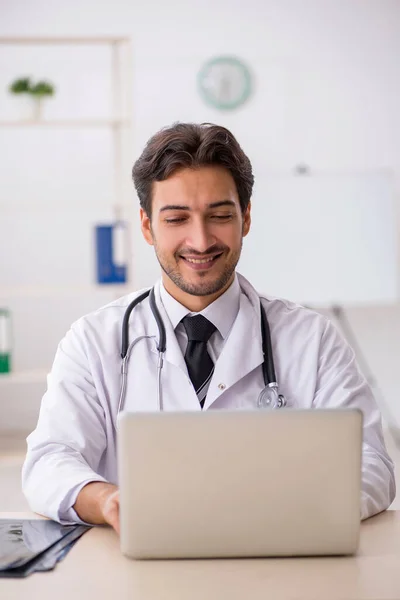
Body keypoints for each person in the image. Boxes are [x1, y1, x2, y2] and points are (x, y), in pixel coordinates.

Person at [22, 122, 396, 535]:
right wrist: (109, 501)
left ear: (246, 218)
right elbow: (50, 461)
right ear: (147, 226)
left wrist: (291, 508)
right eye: (177, 218)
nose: (200, 241)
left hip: (279, 564)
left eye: (219, 216)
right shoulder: (94, 340)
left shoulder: (312, 340)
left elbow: (372, 463)